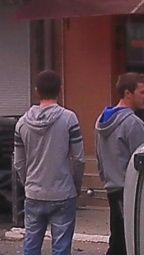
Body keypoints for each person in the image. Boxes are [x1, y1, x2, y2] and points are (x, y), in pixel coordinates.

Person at [14, 70, 85, 255]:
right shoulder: (69, 119)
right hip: (62, 192)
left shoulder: (21, 123)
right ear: (60, 89)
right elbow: (78, 158)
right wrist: (76, 185)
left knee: (31, 244)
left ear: (37, 91)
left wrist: (27, 183)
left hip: (34, 192)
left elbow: (19, 162)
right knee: (61, 248)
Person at [95, 72, 144, 255]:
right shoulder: (133, 124)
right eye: (142, 92)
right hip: (132, 191)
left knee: (118, 236)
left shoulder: (101, 121)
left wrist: (107, 178)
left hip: (112, 188)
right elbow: (140, 162)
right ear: (127, 93)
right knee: (128, 241)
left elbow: (100, 158)